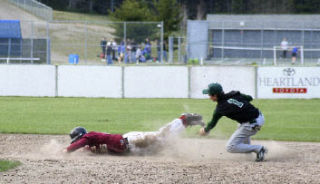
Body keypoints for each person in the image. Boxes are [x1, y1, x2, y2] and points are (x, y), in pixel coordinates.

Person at [64, 113, 205, 154]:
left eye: (76, 141)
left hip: (130, 140)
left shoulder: (90, 136)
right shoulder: (90, 145)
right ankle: (183, 126)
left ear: (81, 136)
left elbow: (79, 144)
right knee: (159, 146)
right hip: (129, 144)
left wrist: (66, 151)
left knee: (161, 137)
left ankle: (183, 120)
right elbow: (84, 148)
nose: (78, 143)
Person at [199, 83, 267, 162]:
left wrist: (205, 130)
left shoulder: (221, 108)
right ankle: (249, 155)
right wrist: (239, 102)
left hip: (252, 124)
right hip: (259, 116)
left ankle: (259, 149)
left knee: (230, 147)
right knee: (241, 128)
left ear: (215, 95)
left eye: (209, 95)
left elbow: (213, 122)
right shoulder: (233, 94)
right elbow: (250, 98)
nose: (209, 97)